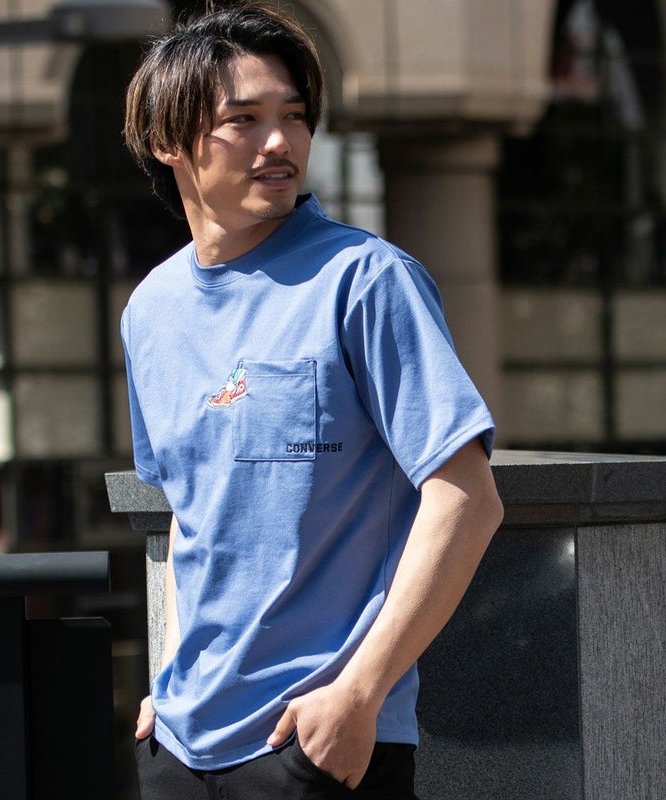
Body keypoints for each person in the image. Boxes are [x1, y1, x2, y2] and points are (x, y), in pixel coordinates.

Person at [120, 3, 504, 798]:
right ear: (166, 140)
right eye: (245, 120)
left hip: (317, 741)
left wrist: (361, 691)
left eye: (294, 117)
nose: (279, 142)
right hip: (179, 746)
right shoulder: (150, 312)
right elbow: (189, 514)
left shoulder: (367, 280)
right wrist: (169, 674)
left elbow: (466, 499)